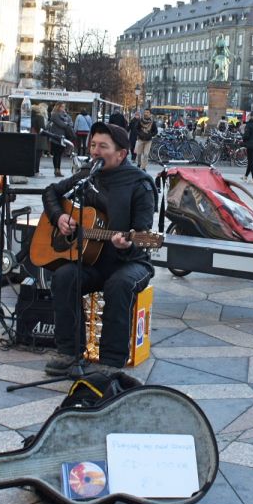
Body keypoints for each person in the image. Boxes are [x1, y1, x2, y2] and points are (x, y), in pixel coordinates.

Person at [42, 122, 156, 375]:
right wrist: (59, 217)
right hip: (93, 261)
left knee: (119, 284)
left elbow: (143, 237)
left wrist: (126, 245)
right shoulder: (87, 176)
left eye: (103, 146)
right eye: (93, 145)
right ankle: (69, 353)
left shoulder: (140, 185)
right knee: (63, 277)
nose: (95, 151)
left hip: (131, 262)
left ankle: (111, 362)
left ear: (121, 153)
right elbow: (51, 192)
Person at [47, 102, 76, 176]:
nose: (63, 108)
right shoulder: (54, 114)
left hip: (63, 138)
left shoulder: (65, 115)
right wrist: (67, 123)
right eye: (62, 107)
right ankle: (56, 170)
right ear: (58, 107)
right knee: (56, 154)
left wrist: (67, 122)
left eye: (64, 106)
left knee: (59, 154)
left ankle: (58, 170)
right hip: (56, 137)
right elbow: (62, 125)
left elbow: (71, 123)